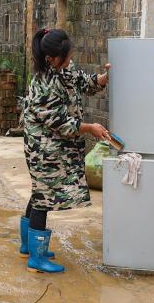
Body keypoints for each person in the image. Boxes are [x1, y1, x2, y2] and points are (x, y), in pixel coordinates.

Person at [20, 28, 110, 273]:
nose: (70, 60)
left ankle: (28, 246)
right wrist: (90, 127)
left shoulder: (62, 71)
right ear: (52, 58)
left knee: (40, 191)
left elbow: (83, 81)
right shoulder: (43, 84)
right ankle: (36, 258)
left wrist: (104, 78)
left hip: (52, 145)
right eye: (67, 57)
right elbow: (61, 123)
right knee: (44, 197)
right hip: (43, 148)